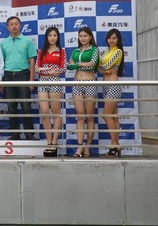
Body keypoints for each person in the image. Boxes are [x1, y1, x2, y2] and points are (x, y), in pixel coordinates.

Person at [0, 16, 37, 140]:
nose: (14, 26)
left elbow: (32, 61)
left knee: (26, 106)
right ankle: (15, 133)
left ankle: (29, 134)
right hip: (8, 76)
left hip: (23, 75)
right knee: (11, 107)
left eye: (16, 23)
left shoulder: (27, 41)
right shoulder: (3, 43)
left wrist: (31, 80)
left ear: (20, 25)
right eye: (11, 24)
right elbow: (1, 62)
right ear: (7, 27)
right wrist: (1, 80)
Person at [67, 26, 100, 158]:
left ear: (90, 37)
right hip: (77, 84)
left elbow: (92, 65)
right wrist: (81, 64)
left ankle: (88, 146)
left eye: (85, 36)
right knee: (80, 116)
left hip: (90, 83)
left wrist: (78, 64)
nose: (83, 38)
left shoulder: (94, 50)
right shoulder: (75, 51)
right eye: (80, 36)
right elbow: (69, 66)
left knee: (90, 116)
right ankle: (80, 146)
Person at [35, 27, 66, 156]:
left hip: (55, 82)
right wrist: (48, 70)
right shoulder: (41, 51)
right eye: (50, 35)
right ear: (46, 37)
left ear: (58, 37)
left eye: (54, 35)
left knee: (56, 112)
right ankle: (48, 141)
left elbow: (63, 68)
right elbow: (37, 68)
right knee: (44, 112)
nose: (52, 38)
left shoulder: (61, 51)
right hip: (42, 82)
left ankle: (54, 142)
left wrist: (47, 70)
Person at [98, 29, 125, 157]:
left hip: (113, 85)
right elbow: (99, 68)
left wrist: (102, 69)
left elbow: (106, 65)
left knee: (106, 115)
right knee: (113, 117)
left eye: (114, 38)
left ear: (118, 39)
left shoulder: (118, 51)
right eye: (109, 38)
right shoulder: (106, 52)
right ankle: (116, 145)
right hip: (105, 86)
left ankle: (114, 145)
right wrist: (102, 70)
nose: (111, 40)